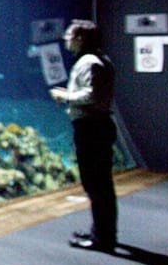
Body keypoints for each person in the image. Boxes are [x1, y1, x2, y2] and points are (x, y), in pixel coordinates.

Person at [50, 20, 118, 251]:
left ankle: (102, 238)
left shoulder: (90, 62)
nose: (65, 38)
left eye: (69, 34)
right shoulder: (101, 60)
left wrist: (66, 96)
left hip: (92, 128)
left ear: (80, 39)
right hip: (97, 126)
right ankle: (101, 232)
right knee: (100, 185)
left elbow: (92, 95)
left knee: (96, 185)